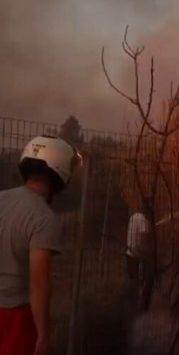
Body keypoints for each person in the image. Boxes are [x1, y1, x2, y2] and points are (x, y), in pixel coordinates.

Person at [0, 135, 80, 355]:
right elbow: (39, 282)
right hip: (14, 317)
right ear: (60, 171)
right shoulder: (44, 218)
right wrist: (43, 336)